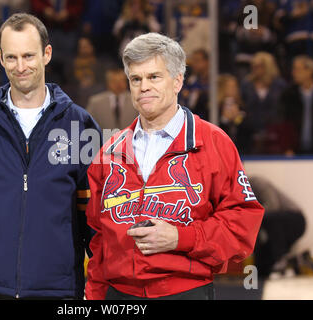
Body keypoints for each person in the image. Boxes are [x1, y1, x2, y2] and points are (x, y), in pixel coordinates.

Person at [84, 33, 264, 300]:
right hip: (118, 295)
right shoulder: (109, 153)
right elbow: (98, 239)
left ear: (178, 80)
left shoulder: (214, 144)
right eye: (136, 79)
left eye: (154, 77)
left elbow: (241, 226)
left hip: (185, 292)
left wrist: (182, 238)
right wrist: (94, 295)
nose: (143, 86)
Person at [0, 13, 101, 300]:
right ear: (0, 58)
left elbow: (96, 225)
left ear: (47, 54)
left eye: (28, 55)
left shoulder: (80, 126)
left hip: (57, 291)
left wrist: (100, 293)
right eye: (11, 57)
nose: (20, 66)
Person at [278, 55, 313, 155]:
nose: (293, 73)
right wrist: (287, 148)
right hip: (295, 151)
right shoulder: (288, 95)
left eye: (297, 69)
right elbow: (284, 123)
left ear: (310, 71)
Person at [86, 68, 138, 134]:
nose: (118, 84)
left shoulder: (136, 99)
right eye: (114, 81)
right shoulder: (95, 102)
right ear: (108, 83)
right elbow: (88, 124)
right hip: (104, 141)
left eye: (121, 81)